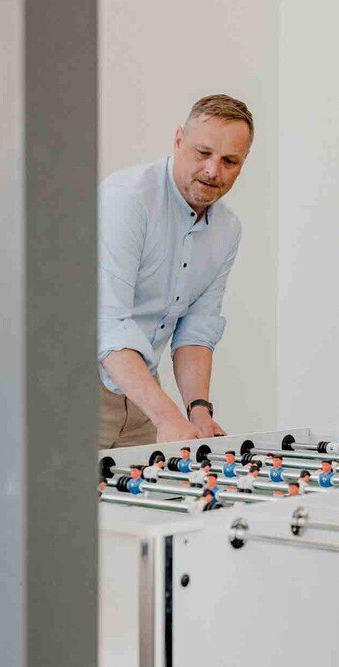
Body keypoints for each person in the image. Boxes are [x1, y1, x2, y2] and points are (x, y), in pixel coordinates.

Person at [98, 94, 254, 449]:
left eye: (230, 161)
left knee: (140, 503)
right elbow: (107, 324)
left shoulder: (228, 229)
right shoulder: (126, 201)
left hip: (141, 392)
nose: (214, 171)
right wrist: (168, 416)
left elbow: (196, 328)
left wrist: (197, 411)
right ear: (179, 139)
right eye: (203, 153)